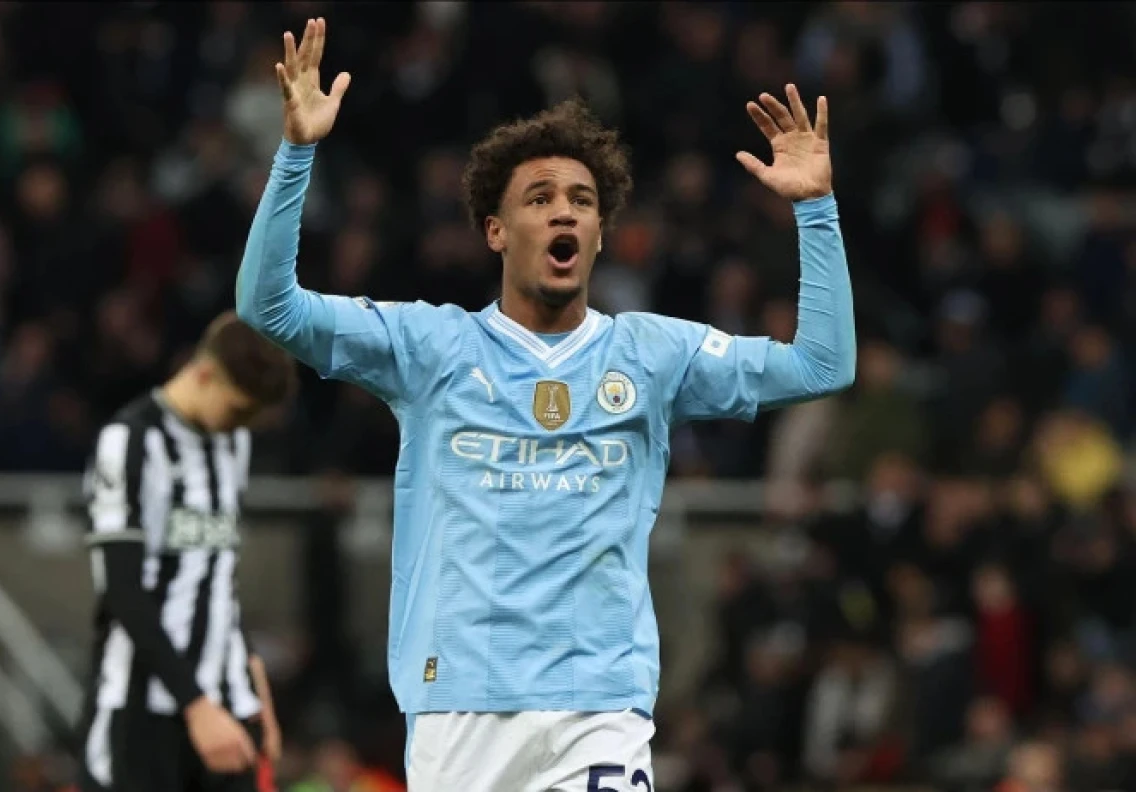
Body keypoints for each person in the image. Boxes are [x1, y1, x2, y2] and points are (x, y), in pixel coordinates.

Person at [237, 17, 855, 791]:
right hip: (460, 707)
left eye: (583, 200)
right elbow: (270, 308)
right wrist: (297, 153)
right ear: (495, 231)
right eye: (539, 198)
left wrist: (815, 209)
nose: (564, 211)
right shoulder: (433, 348)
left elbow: (823, 364)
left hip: (600, 706)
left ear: (600, 234)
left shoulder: (654, 356)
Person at [78, 311, 295, 792]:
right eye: (239, 409)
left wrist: (255, 686)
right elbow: (122, 590)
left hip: (229, 703)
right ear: (203, 374)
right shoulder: (129, 442)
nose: (244, 423)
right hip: (142, 708)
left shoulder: (233, 443)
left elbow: (218, 576)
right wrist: (196, 707)